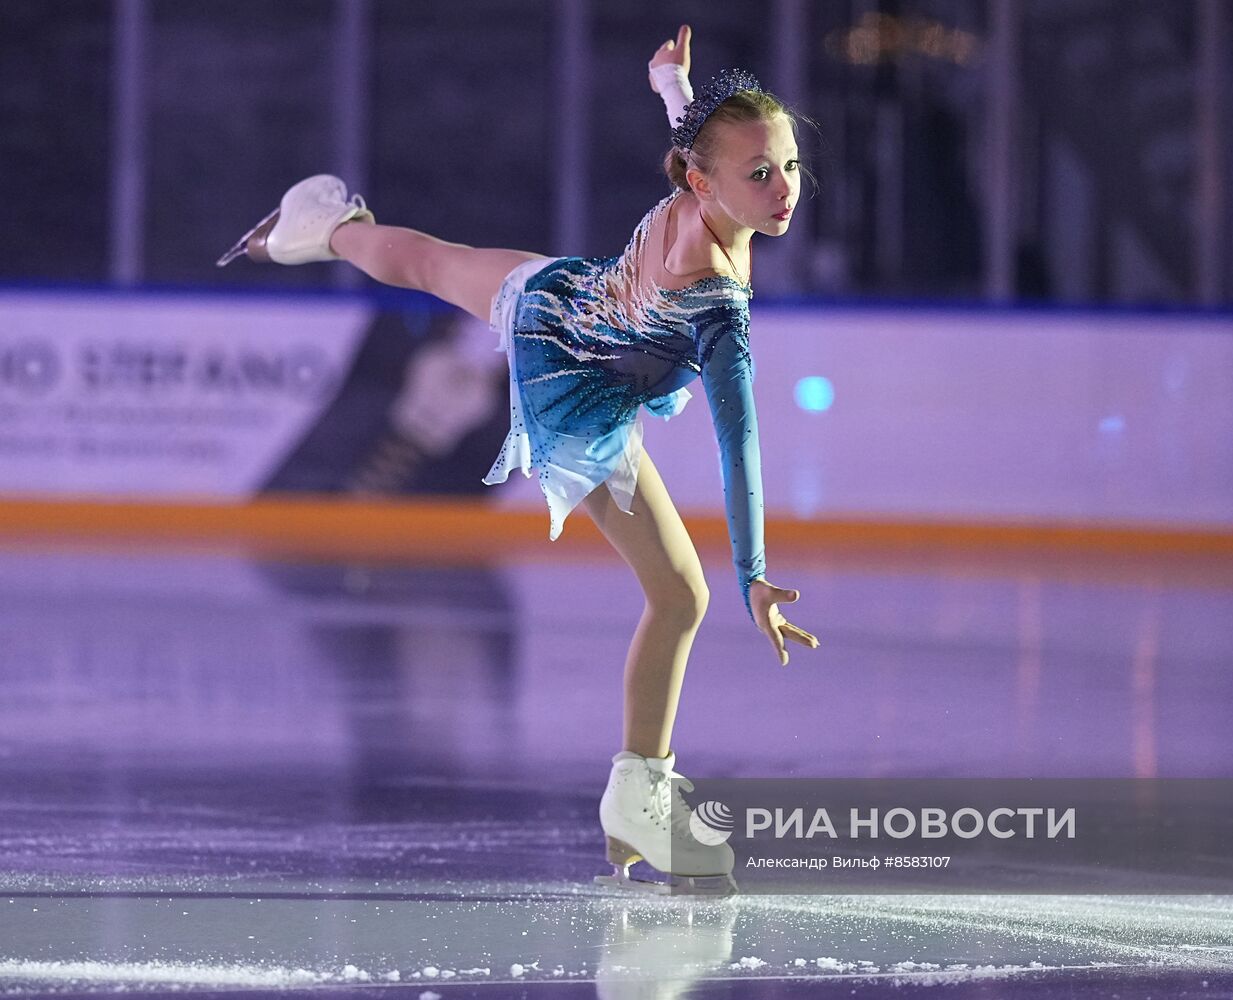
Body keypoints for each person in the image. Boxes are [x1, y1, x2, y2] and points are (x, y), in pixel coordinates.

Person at [218, 24, 819, 892]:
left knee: (431, 262)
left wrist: (670, 87)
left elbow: (697, 143)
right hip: (578, 387)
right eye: (760, 174)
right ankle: (637, 804)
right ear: (704, 182)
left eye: (789, 166)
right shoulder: (718, 309)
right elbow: (741, 444)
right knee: (682, 594)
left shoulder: (704, 183)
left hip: (561, 298)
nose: (782, 189)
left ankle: (316, 231)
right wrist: (755, 573)